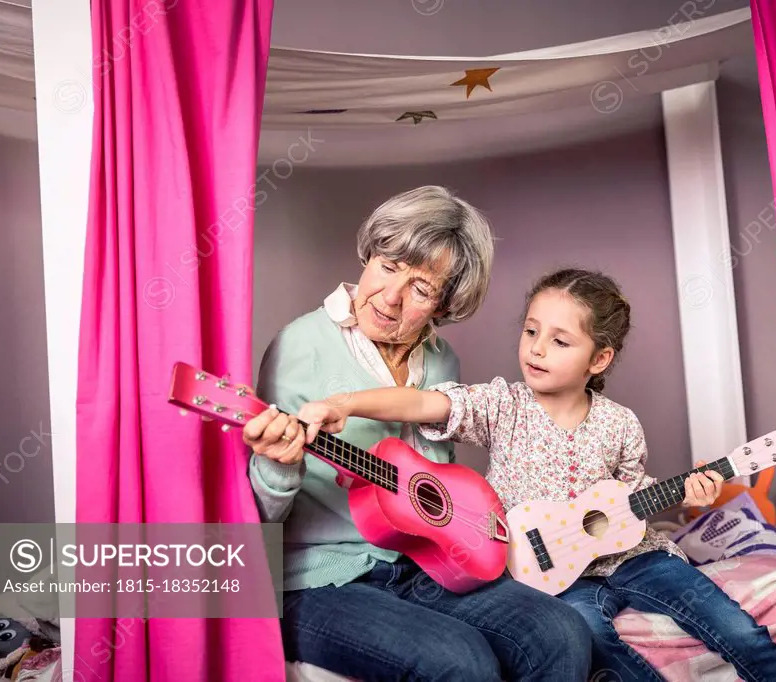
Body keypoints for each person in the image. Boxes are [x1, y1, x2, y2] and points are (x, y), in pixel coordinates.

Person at [298, 268, 776, 682]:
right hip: (558, 578)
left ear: (598, 358)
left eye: (559, 341)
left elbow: (632, 495)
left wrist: (692, 493)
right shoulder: (503, 404)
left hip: (636, 558)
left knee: (736, 626)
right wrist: (347, 403)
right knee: (589, 642)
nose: (537, 349)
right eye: (531, 331)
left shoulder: (620, 423)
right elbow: (424, 401)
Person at [244, 187, 592, 682]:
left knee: (561, 632)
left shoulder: (441, 361)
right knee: (460, 660)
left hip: (422, 566)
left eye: (420, 289)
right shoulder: (299, 347)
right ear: (368, 256)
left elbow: (432, 483)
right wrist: (279, 463)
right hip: (319, 580)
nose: (390, 297)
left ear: (444, 306)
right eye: (388, 267)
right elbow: (257, 514)